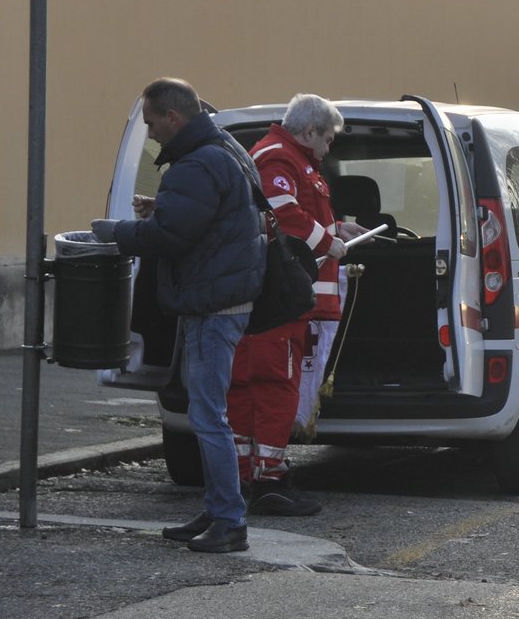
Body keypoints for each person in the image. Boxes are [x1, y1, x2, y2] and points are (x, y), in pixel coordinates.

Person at [92, 78, 265, 554]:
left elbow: (173, 236)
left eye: (150, 123)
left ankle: (230, 520)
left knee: (208, 416)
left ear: (173, 118)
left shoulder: (197, 162)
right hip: (221, 297)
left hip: (212, 304)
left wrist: (118, 232)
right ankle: (215, 510)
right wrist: (162, 210)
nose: (149, 135)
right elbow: (200, 220)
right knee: (206, 412)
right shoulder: (224, 149)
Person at [226, 94, 368, 515]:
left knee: (259, 387)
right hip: (279, 303)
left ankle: (251, 473)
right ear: (308, 131)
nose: (329, 148)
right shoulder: (278, 159)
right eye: (327, 139)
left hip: (281, 302)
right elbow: (283, 215)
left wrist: (337, 225)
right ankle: (267, 478)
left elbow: (296, 214)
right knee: (272, 388)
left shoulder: (292, 160)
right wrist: (331, 242)